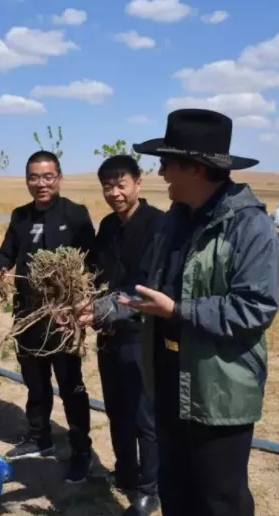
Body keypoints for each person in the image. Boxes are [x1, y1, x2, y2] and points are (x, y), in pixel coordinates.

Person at [113, 109, 279, 516]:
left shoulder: (249, 226)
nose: (160, 172)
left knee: (220, 499)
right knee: (176, 492)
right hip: (168, 379)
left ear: (195, 168)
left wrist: (177, 310)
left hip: (218, 390)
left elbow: (255, 307)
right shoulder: (173, 220)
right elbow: (144, 287)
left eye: (167, 163)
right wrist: (100, 308)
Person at [0, 150, 95, 484]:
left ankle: (81, 449)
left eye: (48, 177)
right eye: (34, 177)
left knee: (71, 385)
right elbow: (7, 253)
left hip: (62, 318)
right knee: (34, 380)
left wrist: (80, 302)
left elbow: (92, 262)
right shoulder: (20, 216)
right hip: (28, 314)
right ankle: (39, 436)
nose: (41, 183)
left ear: (59, 178)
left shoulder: (75, 215)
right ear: (27, 180)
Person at [86, 155, 164, 515]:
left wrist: (100, 308)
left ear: (138, 183)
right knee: (116, 408)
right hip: (108, 332)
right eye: (108, 186)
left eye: (121, 185)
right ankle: (126, 472)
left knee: (145, 415)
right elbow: (96, 275)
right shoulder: (106, 226)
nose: (114, 193)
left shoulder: (157, 224)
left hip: (142, 334)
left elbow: (148, 285)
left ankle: (150, 487)